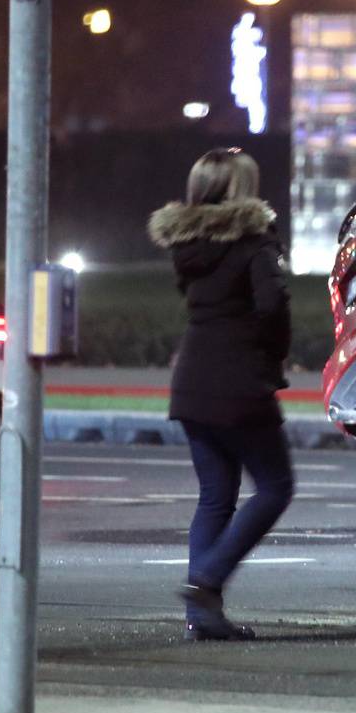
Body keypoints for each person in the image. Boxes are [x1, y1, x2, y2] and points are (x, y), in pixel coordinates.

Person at [148, 148, 295, 640]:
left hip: (191, 380)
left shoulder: (187, 244)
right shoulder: (255, 240)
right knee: (275, 487)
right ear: (240, 189)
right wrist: (272, 356)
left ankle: (202, 618)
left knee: (215, 496)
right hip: (240, 379)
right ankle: (206, 582)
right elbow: (273, 305)